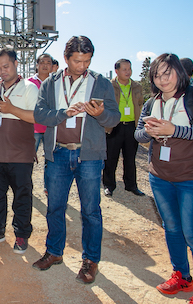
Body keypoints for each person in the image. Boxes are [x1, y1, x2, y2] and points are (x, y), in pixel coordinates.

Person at [135, 53, 193, 304]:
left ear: (180, 73)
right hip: (161, 177)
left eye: (168, 73)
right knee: (172, 229)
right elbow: (137, 134)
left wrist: (176, 130)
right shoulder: (152, 103)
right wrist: (148, 133)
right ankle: (181, 276)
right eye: (157, 75)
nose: (163, 80)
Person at [32, 36, 120, 284]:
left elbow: (114, 118)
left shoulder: (100, 83)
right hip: (58, 154)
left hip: (89, 155)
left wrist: (101, 113)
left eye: (87, 61)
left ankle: (91, 260)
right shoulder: (50, 84)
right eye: (77, 61)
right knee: (55, 208)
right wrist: (63, 113)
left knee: (91, 211)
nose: (82, 66)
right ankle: (54, 252)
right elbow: (39, 114)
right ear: (67, 58)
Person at [0, 48, 38, 254]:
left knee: (22, 196)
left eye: (6, 66)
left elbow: (35, 117)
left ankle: (21, 234)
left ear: (15, 63)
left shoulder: (29, 88)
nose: (2, 71)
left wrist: (11, 109)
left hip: (21, 156)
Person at [103, 59, 145, 197]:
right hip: (114, 126)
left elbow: (140, 104)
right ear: (117, 71)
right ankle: (109, 185)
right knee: (111, 157)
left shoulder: (137, 86)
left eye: (129, 69)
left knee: (130, 158)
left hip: (132, 126)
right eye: (124, 69)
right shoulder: (109, 86)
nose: (128, 72)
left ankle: (131, 185)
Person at [28, 54, 53, 153]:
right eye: (42, 62)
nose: (45, 65)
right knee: (29, 157)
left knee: (51, 159)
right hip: (33, 128)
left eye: (48, 63)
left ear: (52, 66)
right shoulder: (28, 83)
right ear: (37, 65)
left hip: (51, 127)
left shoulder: (56, 82)